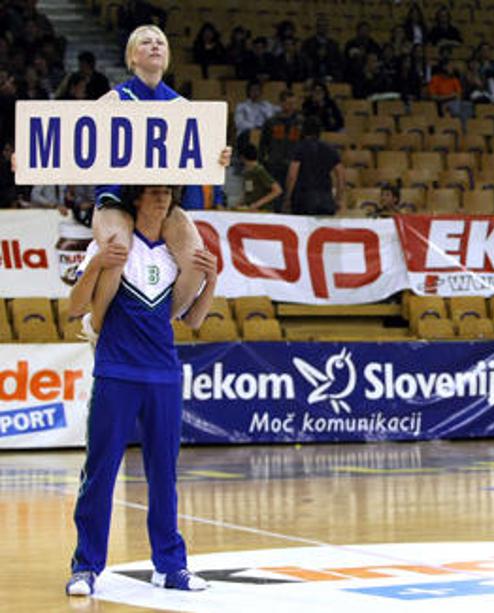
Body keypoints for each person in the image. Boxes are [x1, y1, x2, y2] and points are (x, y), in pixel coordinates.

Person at [64, 185, 219, 597]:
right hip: (116, 372)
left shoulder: (175, 255)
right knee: (100, 472)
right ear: (136, 199)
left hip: (164, 375)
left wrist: (211, 279)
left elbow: (194, 321)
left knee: (164, 474)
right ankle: (86, 566)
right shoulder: (113, 245)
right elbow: (74, 308)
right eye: (154, 193)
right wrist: (97, 265)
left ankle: (170, 565)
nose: (162, 199)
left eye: (167, 193)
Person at [90, 25, 231, 337]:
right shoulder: (113, 100)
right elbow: (69, 146)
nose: (155, 46)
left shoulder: (183, 108)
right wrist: (29, 160)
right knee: (117, 252)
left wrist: (217, 157)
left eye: (160, 42)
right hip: (117, 198)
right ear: (132, 57)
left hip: (161, 200)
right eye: (146, 42)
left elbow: (199, 160)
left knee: (197, 261)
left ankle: (156, 325)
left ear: (168, 56)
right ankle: (97, 326)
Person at [284, 117, 346, 215]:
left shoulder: (299, 148)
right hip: (325, 200)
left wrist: (287, 198)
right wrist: (338, 198)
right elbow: (341, 176)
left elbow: (292, 176)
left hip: (302, 200)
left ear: (303, 131)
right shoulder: (330, 149)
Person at [238, 144, 282, 211]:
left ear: (242, 157)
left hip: (263, 210)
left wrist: (257, 204)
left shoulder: (259, 170)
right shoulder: (248, 172)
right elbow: (249, 190)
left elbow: (277, 190)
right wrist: (242, 202)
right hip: (250, 208)